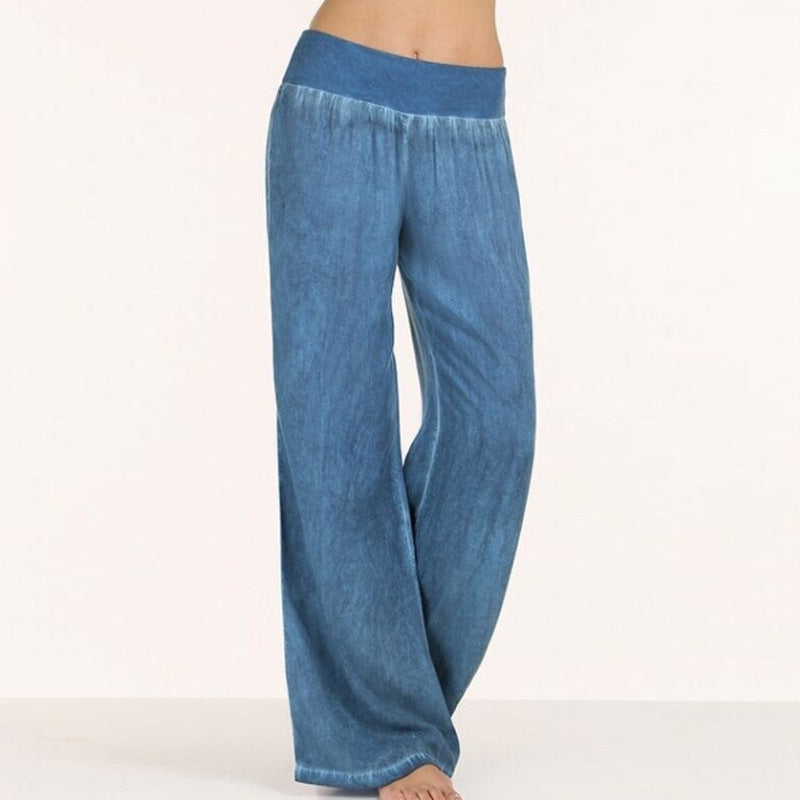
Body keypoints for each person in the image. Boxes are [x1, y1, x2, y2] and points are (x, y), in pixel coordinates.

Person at [264, 2, 536, 798]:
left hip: (471, 121)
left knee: (496, 429)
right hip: (334, 104)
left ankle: (382, 712)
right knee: (336, 428)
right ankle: (388, 734)